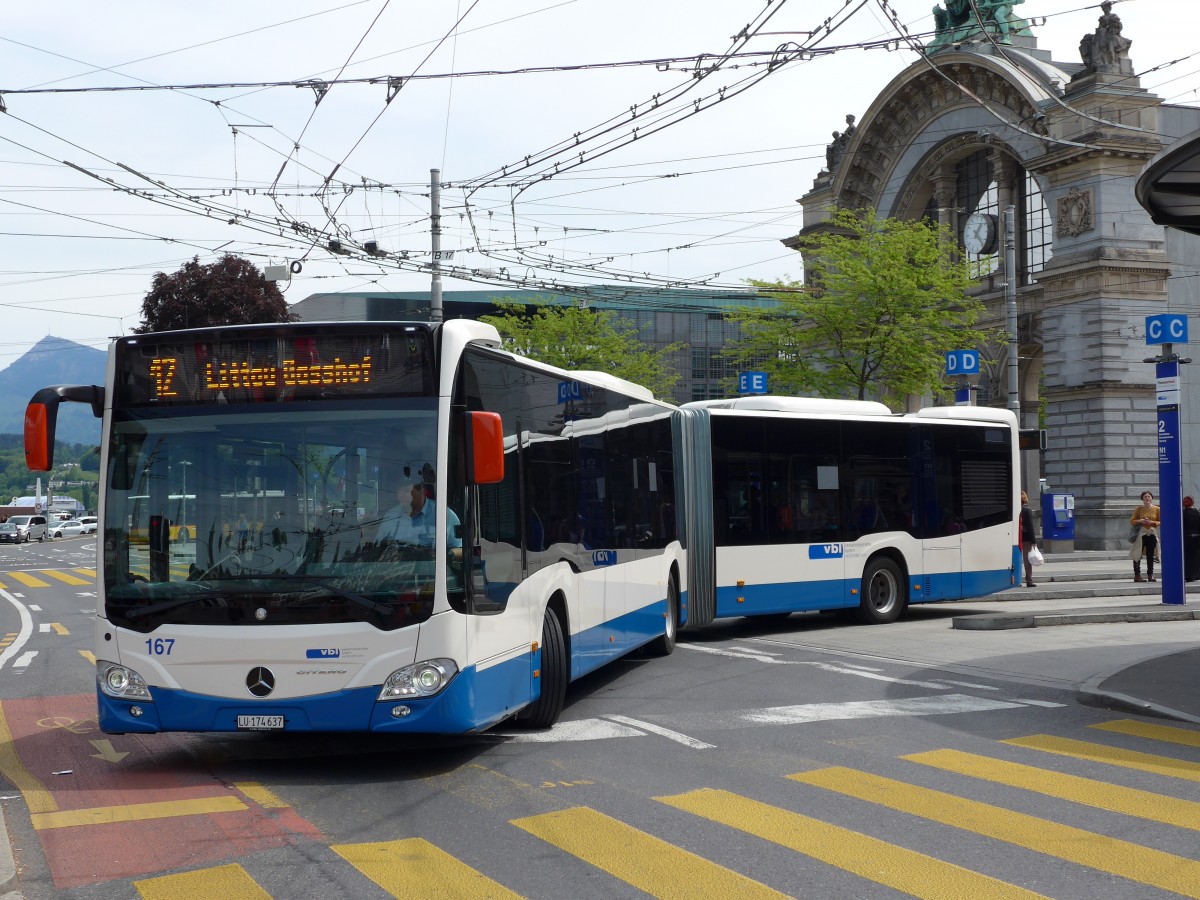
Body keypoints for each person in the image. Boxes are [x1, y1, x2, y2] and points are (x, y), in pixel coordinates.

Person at [376, 474, 462, 554]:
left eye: (406, 491)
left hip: (432, 568)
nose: (402, 495)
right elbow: (378, 547)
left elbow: (458, 550)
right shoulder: (391, 515)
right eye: (399, 491)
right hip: (396, 567)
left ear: (422, 491)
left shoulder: (444, 515)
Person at [1129, 490, 1160, 582]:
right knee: (1137, 554)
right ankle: (1137, 575)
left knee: (1151, 555)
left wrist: (1152, 522)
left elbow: (1161, 521)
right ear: (1142, 499)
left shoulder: (1157, 509)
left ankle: (1150, 575)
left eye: (1149, 496)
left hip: (1151, 533)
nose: (1147, 498)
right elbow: (1132, 521)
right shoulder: (1139, 509)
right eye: (1145, 497)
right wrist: (1141, 521)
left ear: (1152, 498)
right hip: (1141, 534)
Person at [1019, 490, 1037, 587]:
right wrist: (1033, 541)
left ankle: (1016, 581)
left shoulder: (1014, 510)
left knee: (1016, 560)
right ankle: (1029, 581)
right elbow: (1030, 526)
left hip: (1016, 539)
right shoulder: (1027, 510)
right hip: (1026, 538)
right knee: (1027, 561)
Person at [1184, 496, 1200, 582]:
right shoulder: (1197, 512)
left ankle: (1188, 575)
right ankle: (1196, 575)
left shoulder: (1181, 513)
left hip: (1185, 538)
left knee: (1186, 557)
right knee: (1195, 557)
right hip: (1196, 538)